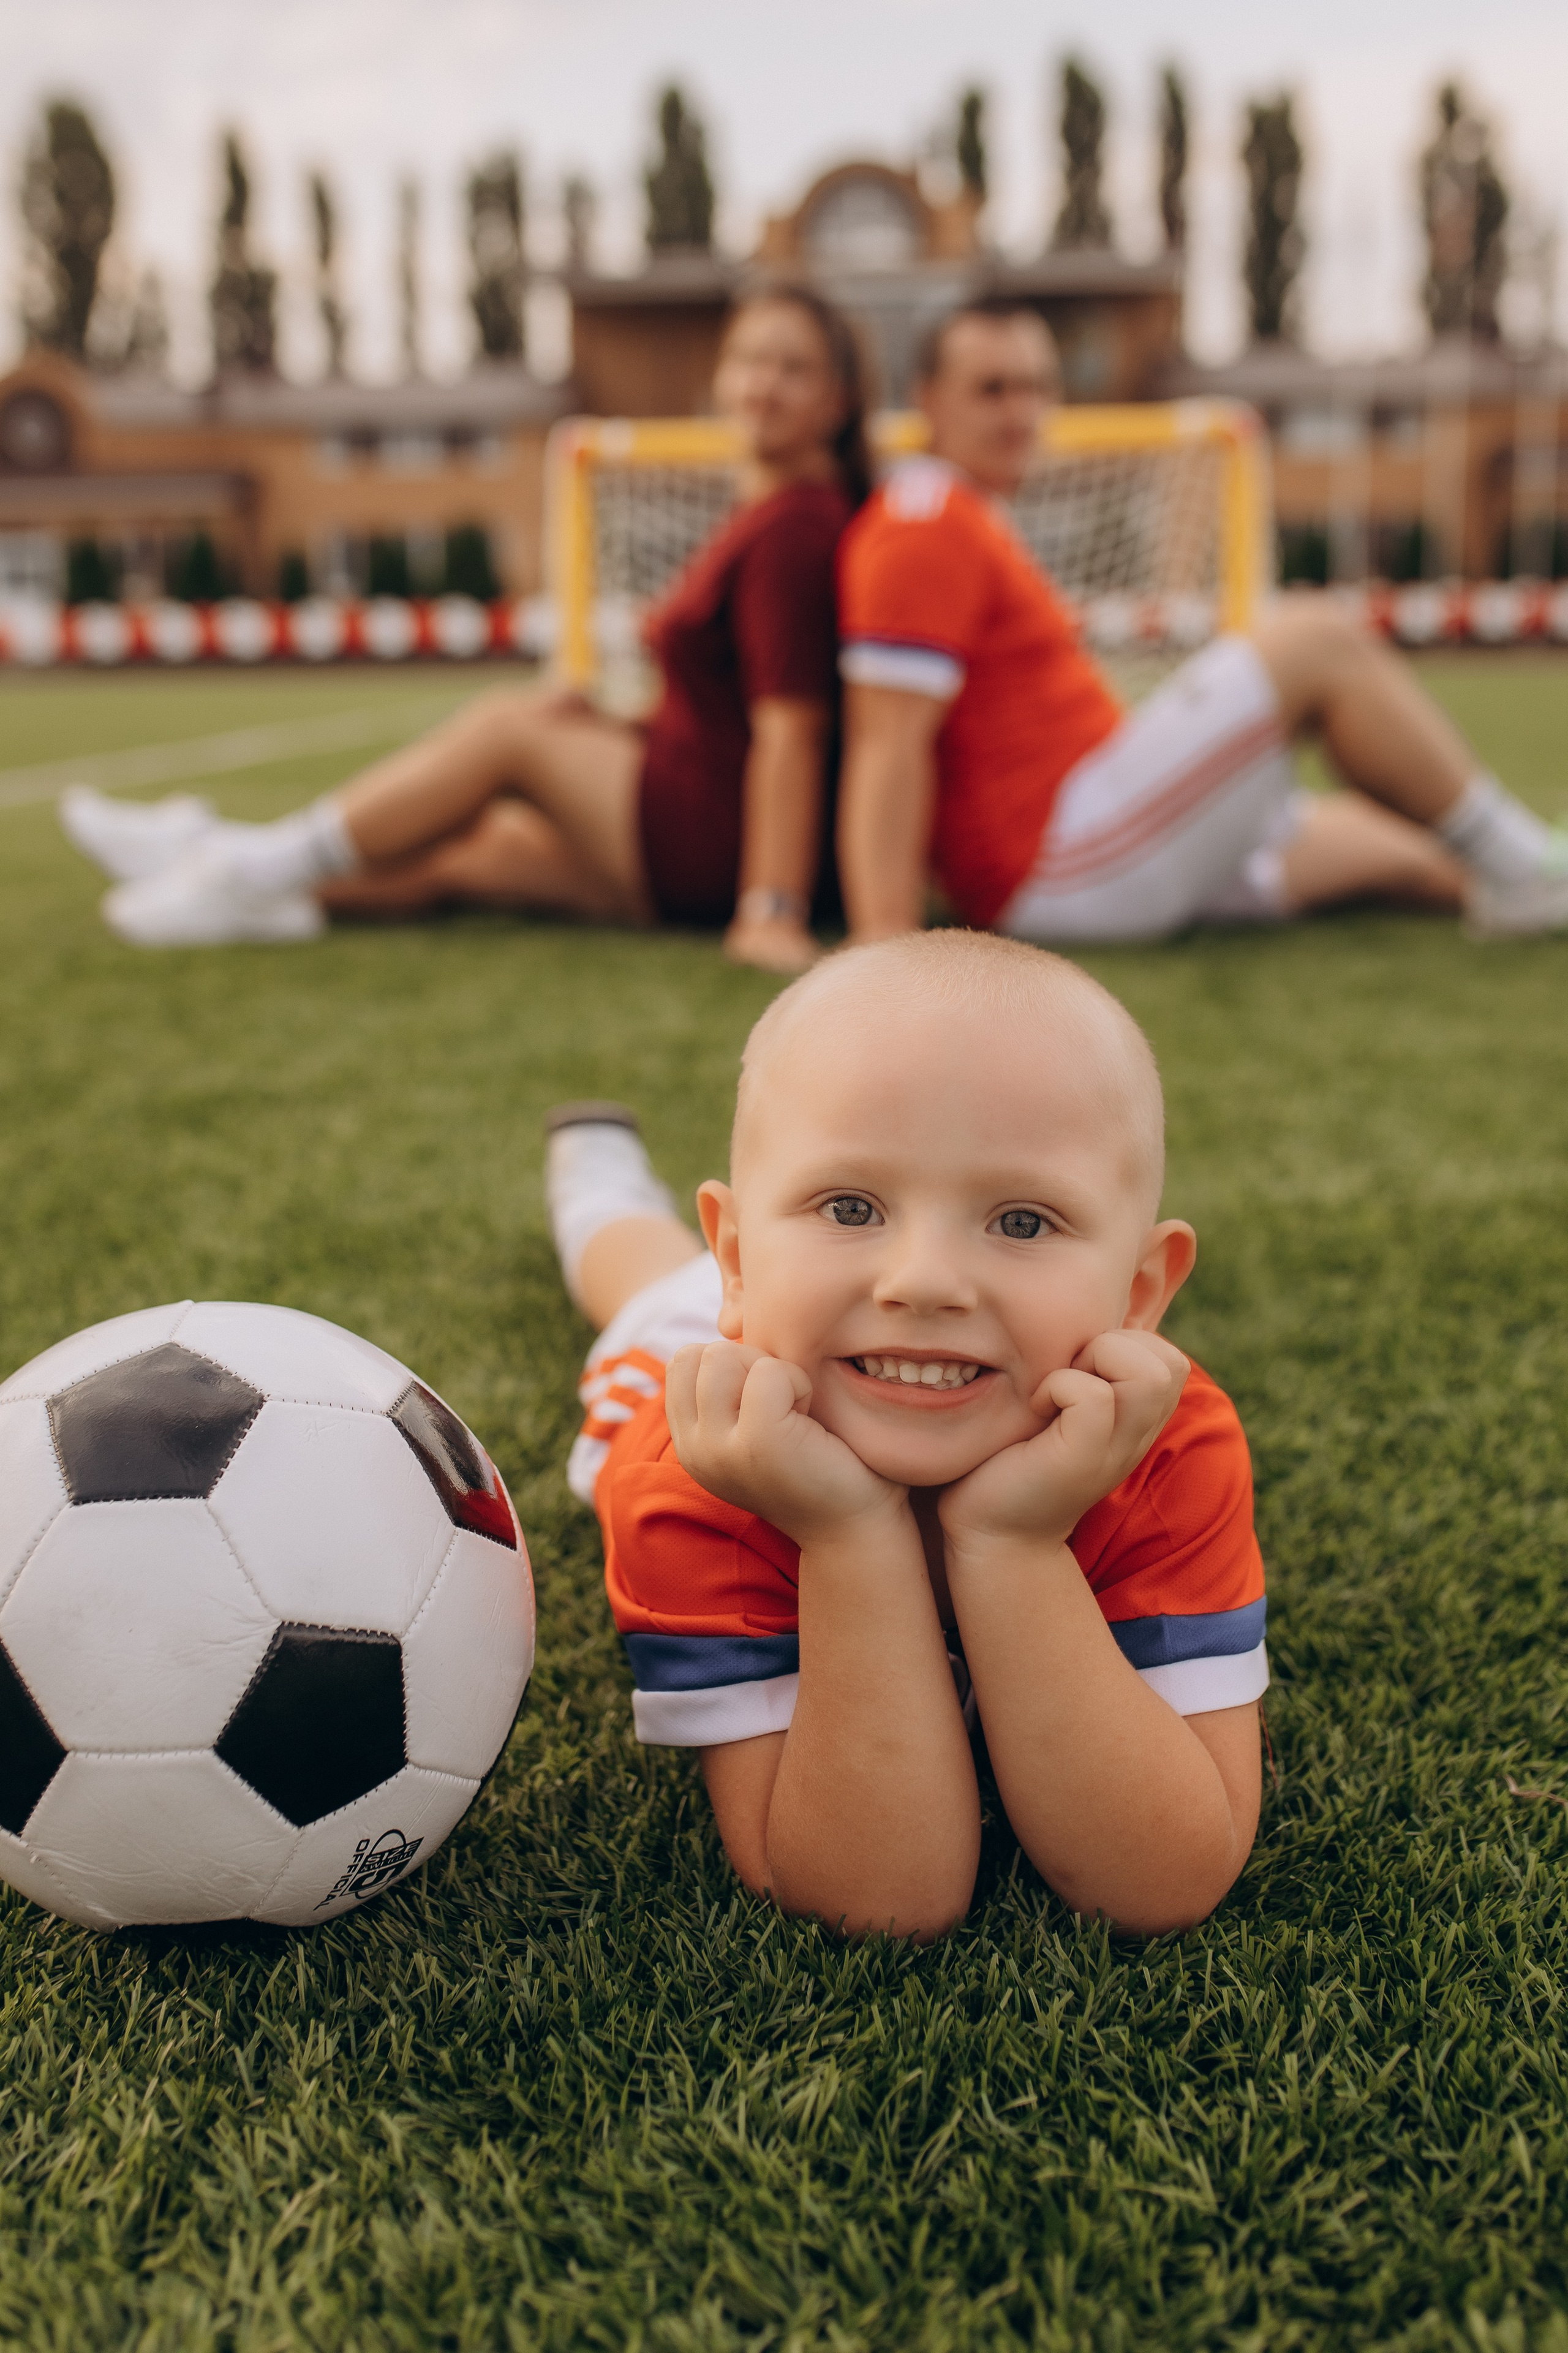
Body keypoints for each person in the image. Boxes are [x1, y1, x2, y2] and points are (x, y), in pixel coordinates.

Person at [544, 930, 1266, 1941]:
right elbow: (874, 1901)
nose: (923, 1279)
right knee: (639, 1277)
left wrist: (1011, 1543)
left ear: (1141, 1292)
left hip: (829, 1328)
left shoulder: (1167, 1444)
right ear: (741, 1261)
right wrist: (849, 1536)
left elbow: (1164, 1882)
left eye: (1021, 1222)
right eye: (850, 1205)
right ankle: (595, 1177)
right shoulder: (694, 1471)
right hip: (761, 1354)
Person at [60, 286, 871, 975]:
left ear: (838, 400)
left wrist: (770, 907)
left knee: (506, 729)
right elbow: (728, 700)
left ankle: (247, 859)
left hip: (714, 843)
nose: (763, 384)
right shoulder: (768, 512)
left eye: (793, 368)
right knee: (469, 850)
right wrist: (612, 723)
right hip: (692, 812)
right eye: (749, 360)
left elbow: (792, 730)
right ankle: (236, 881)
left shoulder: (796, 528)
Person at [834, 296, 1568, 946]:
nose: (1019, 411)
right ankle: (1528, 870)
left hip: (1089, 836)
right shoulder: (920, 523)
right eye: (991, 390)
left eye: (1035, 387)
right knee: (1314, 638)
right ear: (925, 397)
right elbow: (888, 743)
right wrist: (883, 942)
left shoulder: (958, 513)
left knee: (1410, 845)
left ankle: (1525, 878)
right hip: (1057, 862)